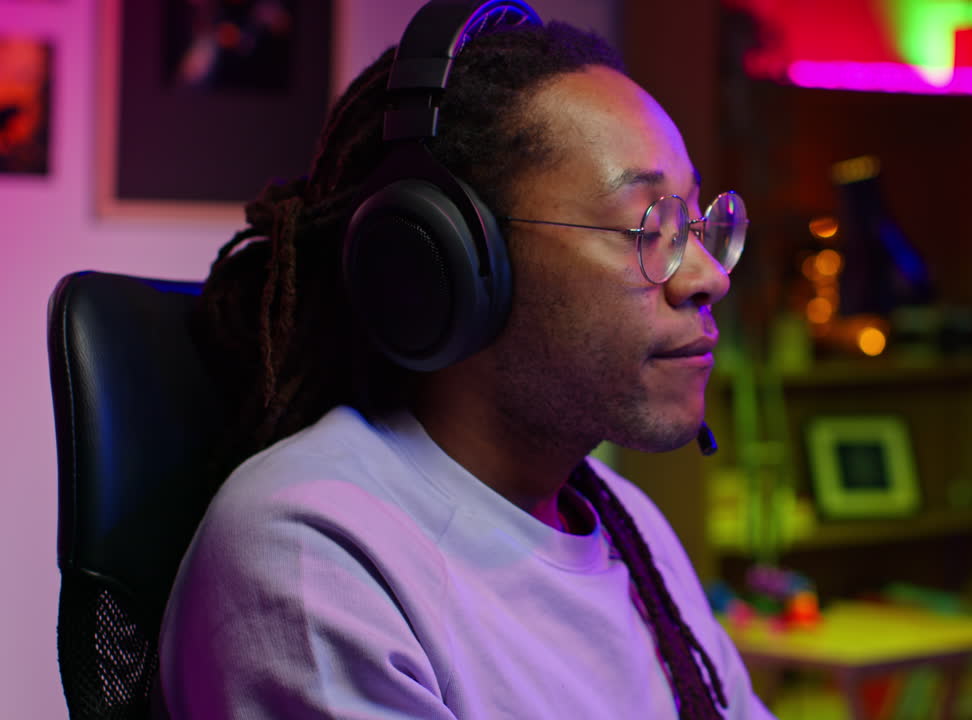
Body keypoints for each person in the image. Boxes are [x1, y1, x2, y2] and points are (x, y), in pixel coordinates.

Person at [157, 2, 769, 719]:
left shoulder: (627, 522)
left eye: (696, 220)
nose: (707, 276)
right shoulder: (315, 551)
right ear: (447, 262)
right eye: (649, 225)